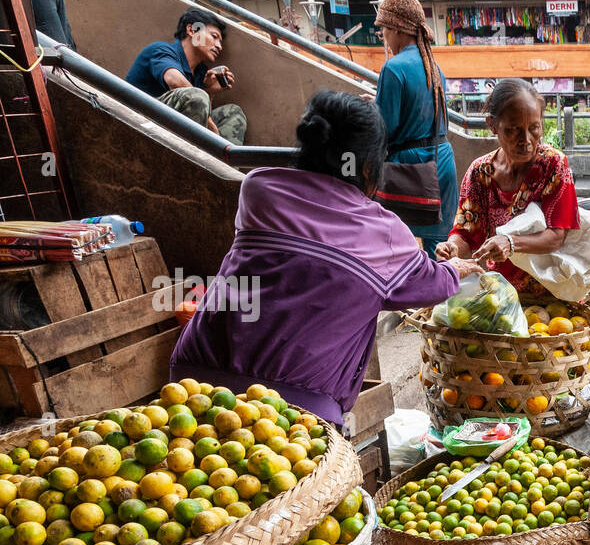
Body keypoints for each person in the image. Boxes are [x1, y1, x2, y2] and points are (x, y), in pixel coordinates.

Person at [171, 91, 473, 426]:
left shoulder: (258, 189)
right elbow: (435, 283)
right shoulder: (385, 233)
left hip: (193, 386)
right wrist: (454, 268)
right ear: (371, 165)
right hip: (294, 408)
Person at [435, 79, 581, 297]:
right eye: (514, 130)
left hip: (553, 292)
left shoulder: (553, 165)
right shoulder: (479, 172)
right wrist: (452, 247)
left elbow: (556, 237)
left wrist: (511, 242)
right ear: (492, 125)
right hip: (503, 293)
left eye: (534, 128)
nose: (526, 140)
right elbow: (466, 232)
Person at [373, 0, 457, 254]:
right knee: (439, 250)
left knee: (396, 248)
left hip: (410, 169)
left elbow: (385, 128)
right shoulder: (434, 66)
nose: (384, 36)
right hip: (441, 161)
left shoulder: (393, 68)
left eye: (385, 29)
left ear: (397, 28)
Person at [125, 8, 246, 144]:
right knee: (197, 96)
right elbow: (175, 82)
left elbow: (200, 112)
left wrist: (210, 92)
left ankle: (221, 164)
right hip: (139, 122)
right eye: (214, 36)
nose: (219, 46)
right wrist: (213, 129)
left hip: (175, 128)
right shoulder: (161, 50)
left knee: (233, 112)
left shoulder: (202, 72)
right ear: (192, 30)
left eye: (220, 41)